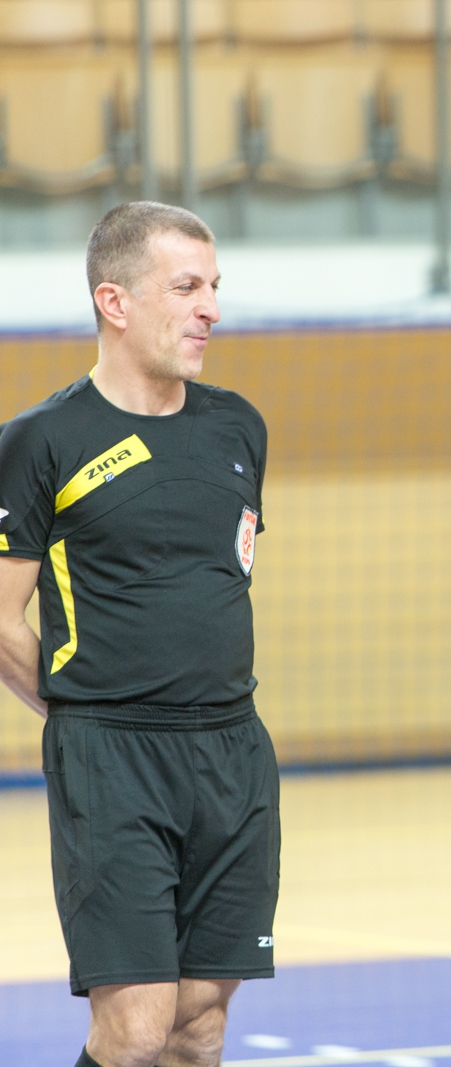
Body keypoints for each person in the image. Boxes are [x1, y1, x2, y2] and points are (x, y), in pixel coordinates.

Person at [0, 202, 276, 1067]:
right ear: (114, 301)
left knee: (199, 1026)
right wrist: (83, 714)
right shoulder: (42, 441)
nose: (211, 310)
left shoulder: (238, 427)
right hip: (111, 755)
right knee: (136, 1028)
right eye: (187, 288)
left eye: (215, 287)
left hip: (232, 751)